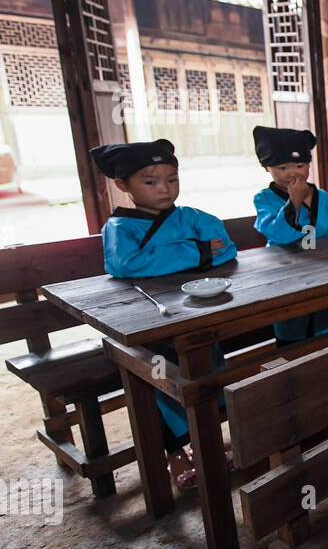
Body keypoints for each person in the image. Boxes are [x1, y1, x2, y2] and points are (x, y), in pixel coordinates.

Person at [89, 139, 237, 489]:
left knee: (205, 364)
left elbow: (226, 249)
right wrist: (197, 252)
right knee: (156, 375)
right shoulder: (120, 228)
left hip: (193, 314)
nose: (165, 189)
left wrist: (173, 255)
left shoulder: (192, 217)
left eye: (172, 179)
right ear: (122, 185)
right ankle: (174, 452)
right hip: (144, 321)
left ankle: (207, 441)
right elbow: (126, 265)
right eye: (151, 181)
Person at [252, 126, 328, 344]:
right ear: (267, 168)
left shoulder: (321, 196)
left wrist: (314, 206)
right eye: (283, 167)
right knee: (292, 333)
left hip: (324, 274)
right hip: (286, 279)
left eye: (300, 166)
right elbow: (278, 234)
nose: (293, 173)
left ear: (309, 166)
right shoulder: (263, 199)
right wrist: (294, 201)